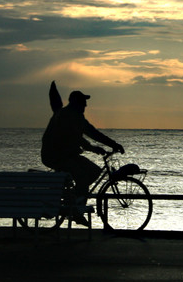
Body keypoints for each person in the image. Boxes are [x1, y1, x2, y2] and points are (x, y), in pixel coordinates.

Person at [41, 82, 125, 225]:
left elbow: (82, 136)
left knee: (94, 171)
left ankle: (74, 201)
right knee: (83, 177)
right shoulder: (69, 116)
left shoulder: (71, 115)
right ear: (75, 103)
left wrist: (94, 148)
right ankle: (76, 211)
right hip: (56, 156)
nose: (85, 106)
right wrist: (112, 145)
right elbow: (90, 134)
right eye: (83, 103)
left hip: (66, 154)